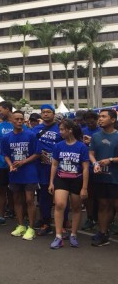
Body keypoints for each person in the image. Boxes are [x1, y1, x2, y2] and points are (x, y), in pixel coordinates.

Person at [48, 119, 89, 249]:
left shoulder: (81, 146)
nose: (60, 132)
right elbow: (54, 165)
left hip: (77, 180)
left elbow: (86, 168)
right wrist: (51, 182)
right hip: (62, 178)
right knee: (59, 205)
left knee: (76, 207)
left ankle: (73, 234)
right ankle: (58, 236)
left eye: (62, 129)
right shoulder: (58, 146)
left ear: (69, 130)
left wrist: (84, 187)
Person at [1, 111, 39, 241]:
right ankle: (21, 225)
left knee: (29, 200)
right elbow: (5, 154)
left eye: (21, 119)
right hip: (15, 173)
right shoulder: (6, 138)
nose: (19, 121)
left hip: (29, 172)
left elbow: (36, 153)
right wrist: (10, 164)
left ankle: (31, 227)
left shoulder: (31, 135)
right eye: (16, 119)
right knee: (16, 199)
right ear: (11, 120)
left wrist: (23, 162)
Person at [89, 109, 118, 247]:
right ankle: (103, 233)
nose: (100, 119)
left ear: (113, 120)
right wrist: (95, 163)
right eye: (99, 116)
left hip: (115, 178)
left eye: (103, 116)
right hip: (100, 178)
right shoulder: (95, 136)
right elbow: (91, 153)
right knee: (103, 205)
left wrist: (111, 160)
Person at [33, 104, 63, 236]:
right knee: (43, 195)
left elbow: (67, 144)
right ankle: (45, 222)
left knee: (60, 197)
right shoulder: (36, 129)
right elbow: (32, 145)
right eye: (43, 112)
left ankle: (62, 223)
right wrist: (39, 154)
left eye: (48, 112)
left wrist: (55, 157)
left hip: (58, 167)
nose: (46, 114)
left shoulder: (60, 128)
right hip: (41, 167)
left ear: (54, 113)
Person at [0, 101, 16, 226]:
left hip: (16, 163)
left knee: (16, 190)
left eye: (1, 109)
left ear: (8, 109)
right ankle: (1, 216)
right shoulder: (0, 125)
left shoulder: (19, 123)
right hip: (2, 163)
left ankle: (19, 214)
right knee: (1, 190)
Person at [81, 110, 100, 230]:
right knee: (88, 195)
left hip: (99, 167)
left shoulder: (101, 131)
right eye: (88, 122)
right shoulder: (82, 131)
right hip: (86, 167)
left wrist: (92, 142)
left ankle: (100, 218)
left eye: (92, 122)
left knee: (101, 196)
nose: (90, 124)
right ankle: (90, 217)